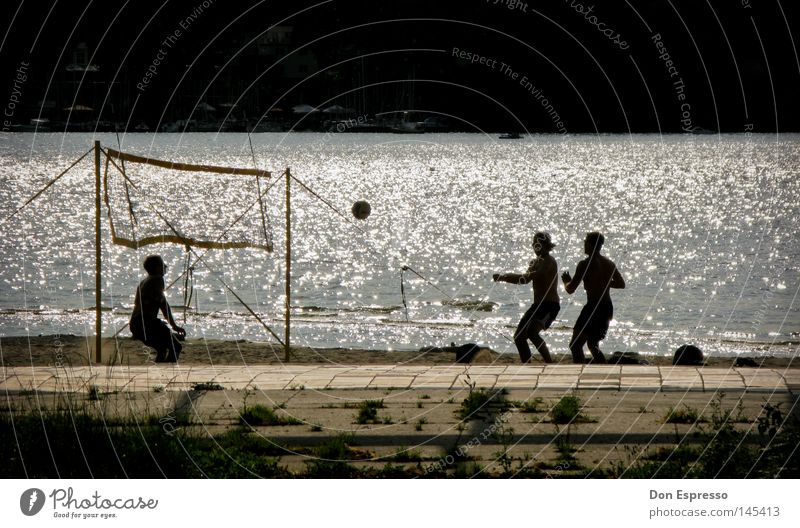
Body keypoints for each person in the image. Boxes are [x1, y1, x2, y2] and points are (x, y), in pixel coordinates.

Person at [493, 232, 560, 363]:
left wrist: (505, 277)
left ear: (546, 245)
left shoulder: (549, 261)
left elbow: (532, 276)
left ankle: (549, 362)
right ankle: (526, 363)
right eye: (534, 244)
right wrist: (503, 278)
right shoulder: (535, 262)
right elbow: (524, 280)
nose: (535, 247)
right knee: (518, 336)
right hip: (537, 305)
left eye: (538, 244)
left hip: (550, 305)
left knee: (532, 332)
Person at [561, 232, 625, 364]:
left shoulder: (584, 264)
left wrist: (566, 281)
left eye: (585, 242)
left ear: (590, 244)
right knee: (592, 344)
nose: (584, 245)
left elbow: (570, 289)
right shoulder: (609, 263)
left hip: (593, 306)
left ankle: (580, 371)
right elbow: (620, 284)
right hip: (607, 307)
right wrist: (604, 281)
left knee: (575, 345)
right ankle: (604, 371)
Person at [130, 254, 186, 363]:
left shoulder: (143, 282)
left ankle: (160, 368)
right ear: (156, 268)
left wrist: (172, 326)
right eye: (162, 264)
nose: (165, 266)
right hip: (146, 322)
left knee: (162, 349)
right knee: (176, 347)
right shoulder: (157, 279)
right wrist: (174, 326)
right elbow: (163, 305)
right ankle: (168, 371)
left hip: (135, 324)